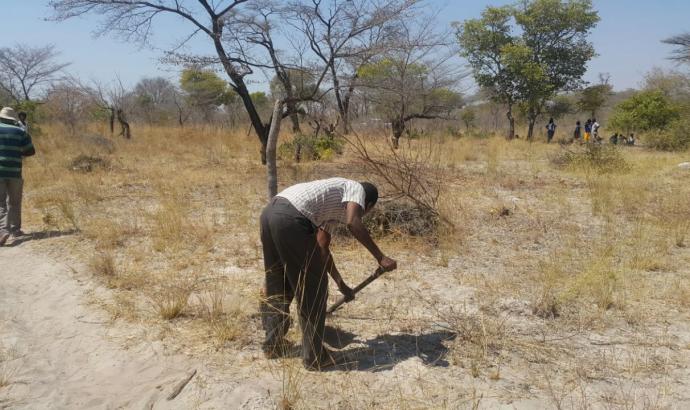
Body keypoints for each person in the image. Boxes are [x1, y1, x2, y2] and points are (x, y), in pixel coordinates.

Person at [259, 178, 397, 370]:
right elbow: (353, 222)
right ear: (369, 204)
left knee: (279, 281)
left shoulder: (330, 208)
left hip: (270, 213)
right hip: (291, 217)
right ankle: (315, 358)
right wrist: (380, 257)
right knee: (313, 290)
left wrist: (341, 285)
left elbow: (322, 249)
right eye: (368, 210)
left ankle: (272, 344)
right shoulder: (356, 189)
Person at [0, 107, 35, 246]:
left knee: (0, 203)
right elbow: (31, 151)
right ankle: (15, 229)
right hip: (15, 171)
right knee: (14, 202)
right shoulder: (21, 131)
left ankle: (2, 230)